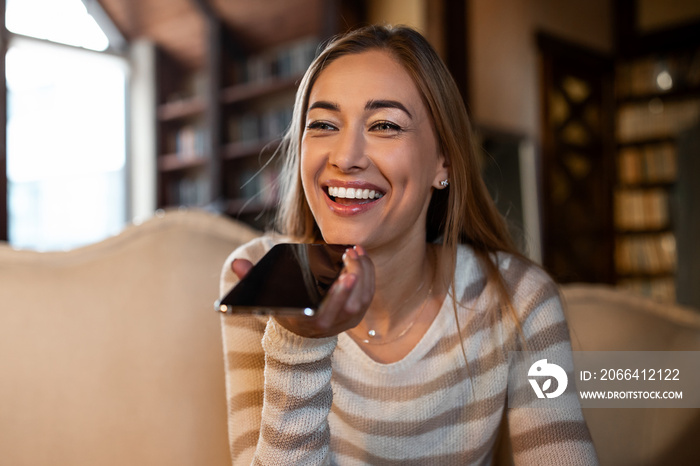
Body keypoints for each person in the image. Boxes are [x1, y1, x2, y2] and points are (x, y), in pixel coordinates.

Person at [219, 24, 599, 465]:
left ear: (444, 161)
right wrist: (300, 346)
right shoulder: (259, 278)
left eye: (384, 125)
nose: (345, 157)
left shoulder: (520, 299)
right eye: (323, 124)